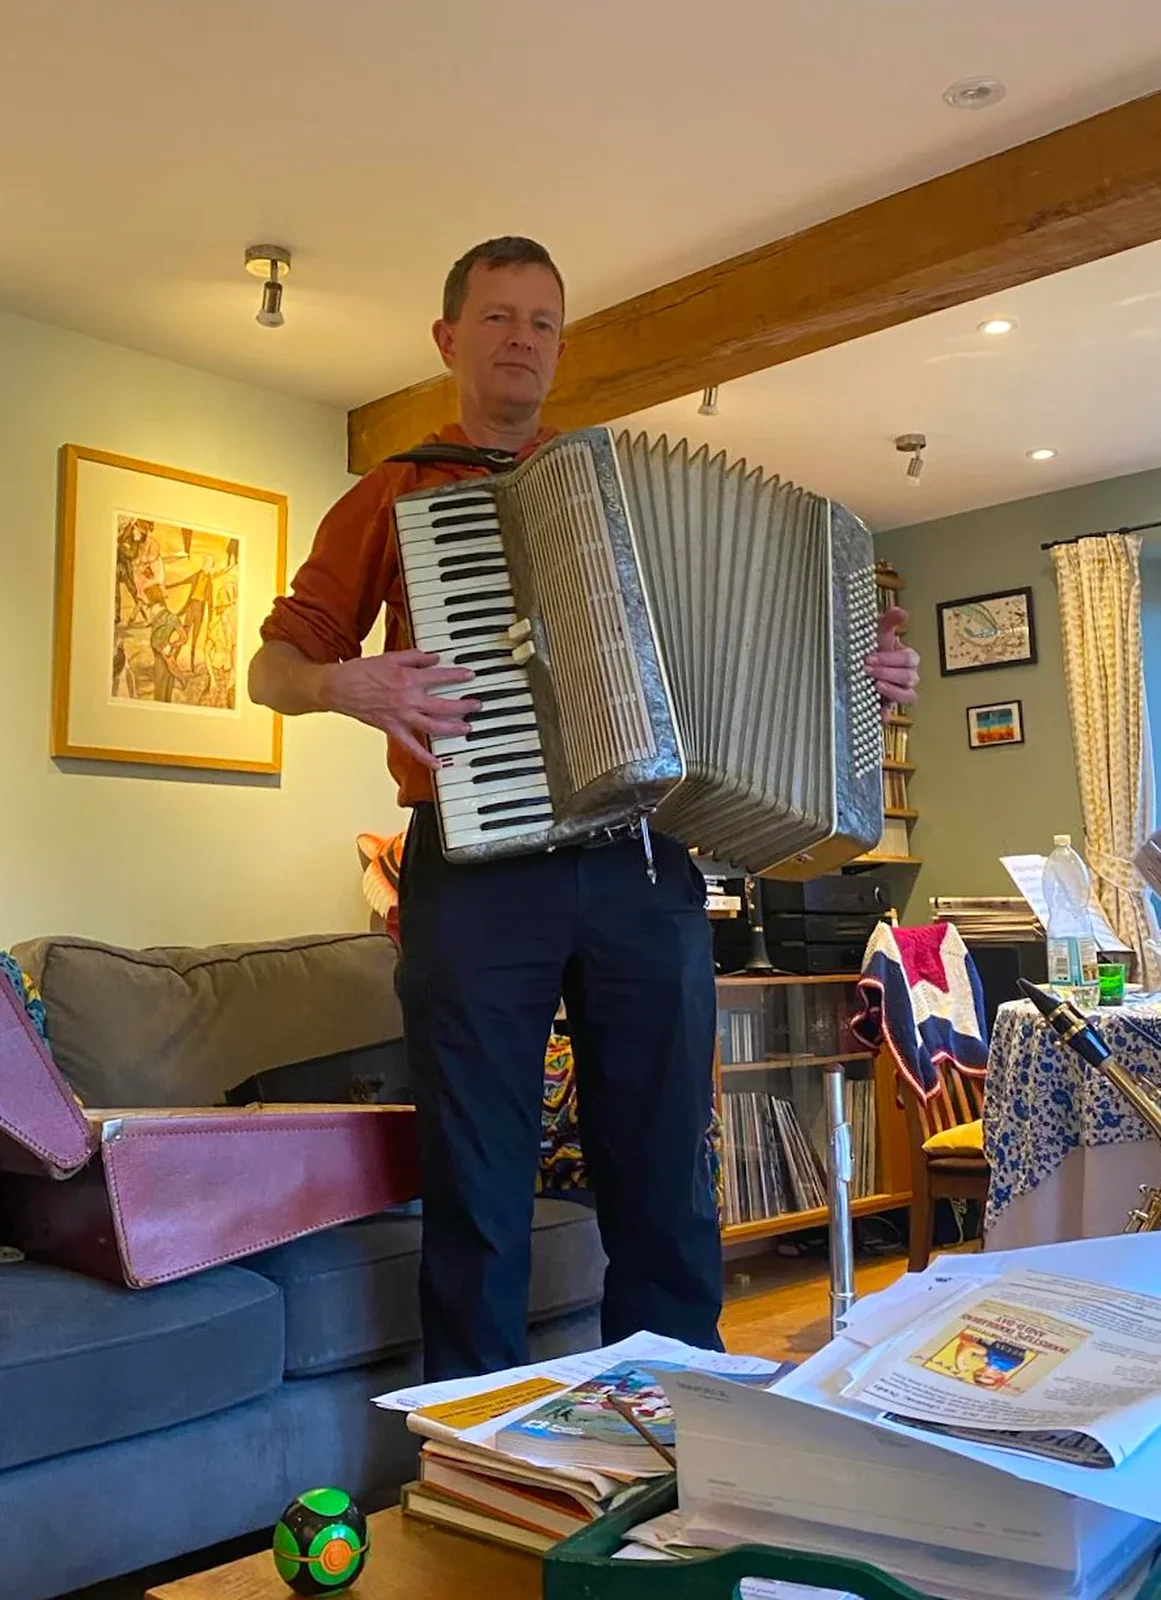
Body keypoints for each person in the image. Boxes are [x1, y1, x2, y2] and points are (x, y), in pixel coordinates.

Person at [249, 237, 920, 1380]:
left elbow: (753, 642)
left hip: (641, 861)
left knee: (664, 1160)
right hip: (472, 862)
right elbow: (274, 663)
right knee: (479, 1164)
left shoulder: (616, 487)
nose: (522, 339)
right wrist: (342, 682)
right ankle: (474, 1437)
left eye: (543, 322)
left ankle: (674, 1416)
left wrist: (866, 670)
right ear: (448, 339)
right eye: (500, 317)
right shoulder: (395, 488)